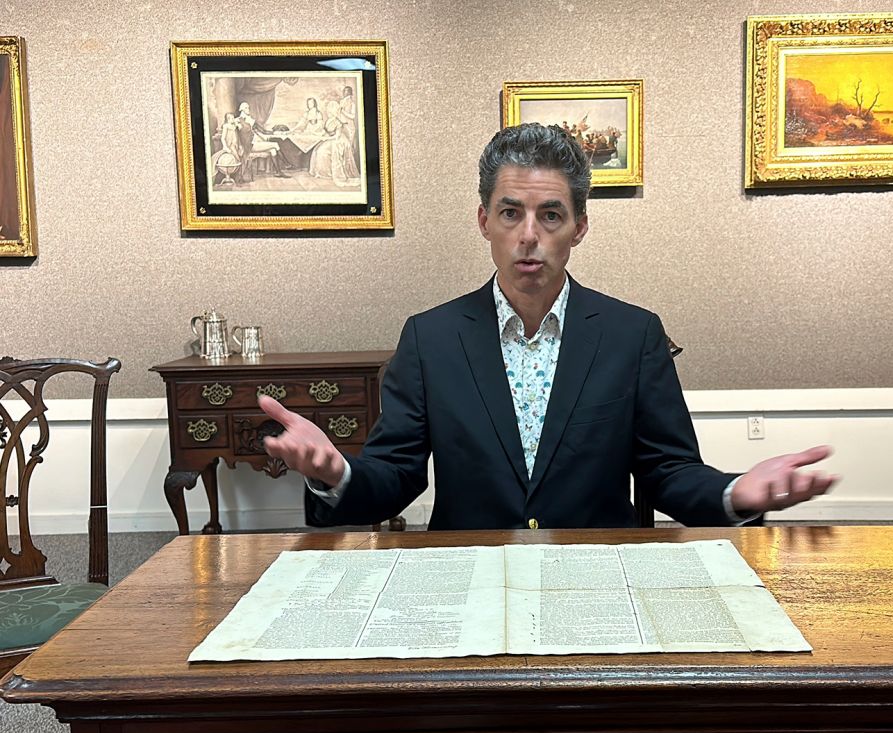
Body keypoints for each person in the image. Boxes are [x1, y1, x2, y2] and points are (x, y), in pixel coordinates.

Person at [259, 123, 839, 529]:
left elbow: (669, 472)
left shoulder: (632, 335)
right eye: (511, 213)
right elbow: (395, 475)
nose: (529, 235)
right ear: (484, 220)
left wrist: (736, 492)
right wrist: (336, 475)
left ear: (580, 227)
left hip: (597, 579)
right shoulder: (430, 338)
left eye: (551, 215)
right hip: (468, 581)